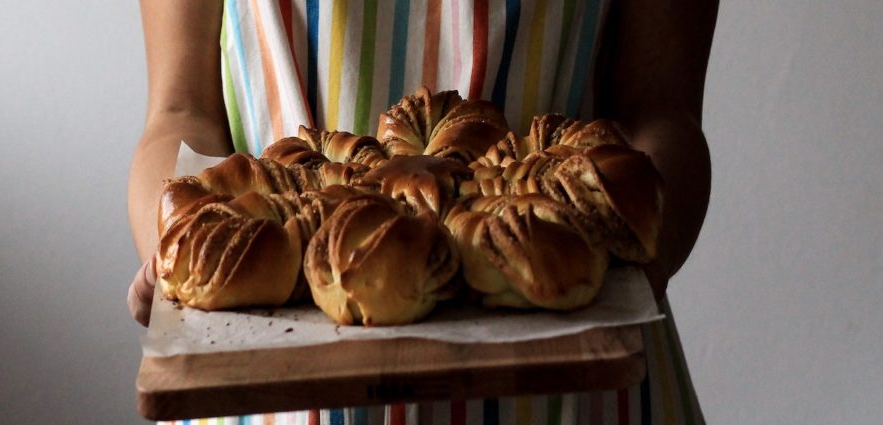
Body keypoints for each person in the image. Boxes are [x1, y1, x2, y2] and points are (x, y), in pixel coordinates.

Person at [128, 1, 716, 423]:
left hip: (575, 378)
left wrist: (632, 266)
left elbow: (661, 109)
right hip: (264, 380)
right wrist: (177, 245)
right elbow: (181, 109)